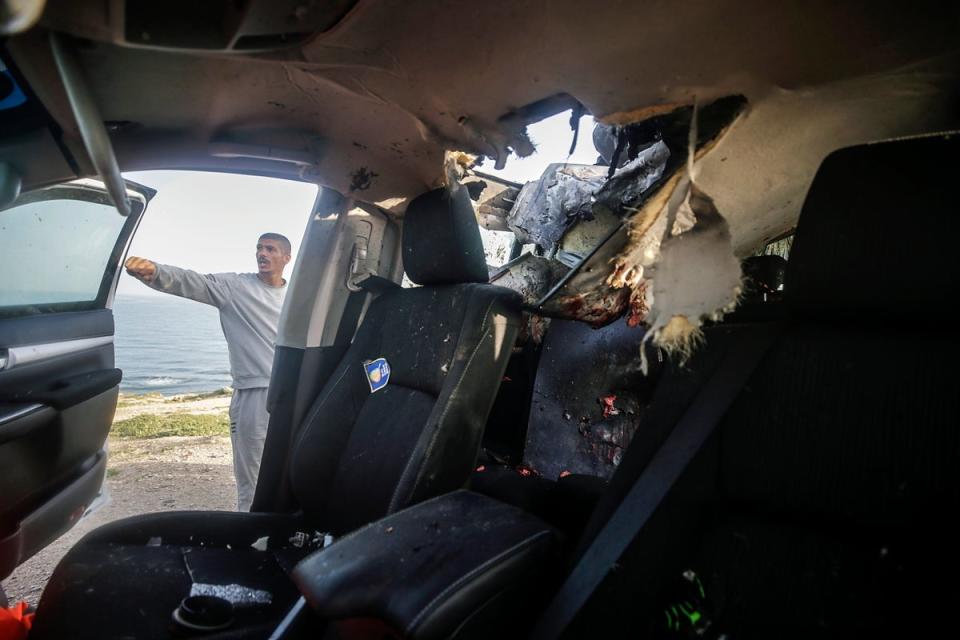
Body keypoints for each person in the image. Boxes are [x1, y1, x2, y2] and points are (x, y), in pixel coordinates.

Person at [124, 233, 292, 511]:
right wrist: (154, 272)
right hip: (253, 396)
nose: (262, 253)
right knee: (252, 477)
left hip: (289, 395)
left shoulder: (298, 295)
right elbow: (192, 282)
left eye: (270, 249)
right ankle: (250, 540)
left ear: (286, 257)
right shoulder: (235, 287)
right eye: (259, 248)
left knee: (288, 470)